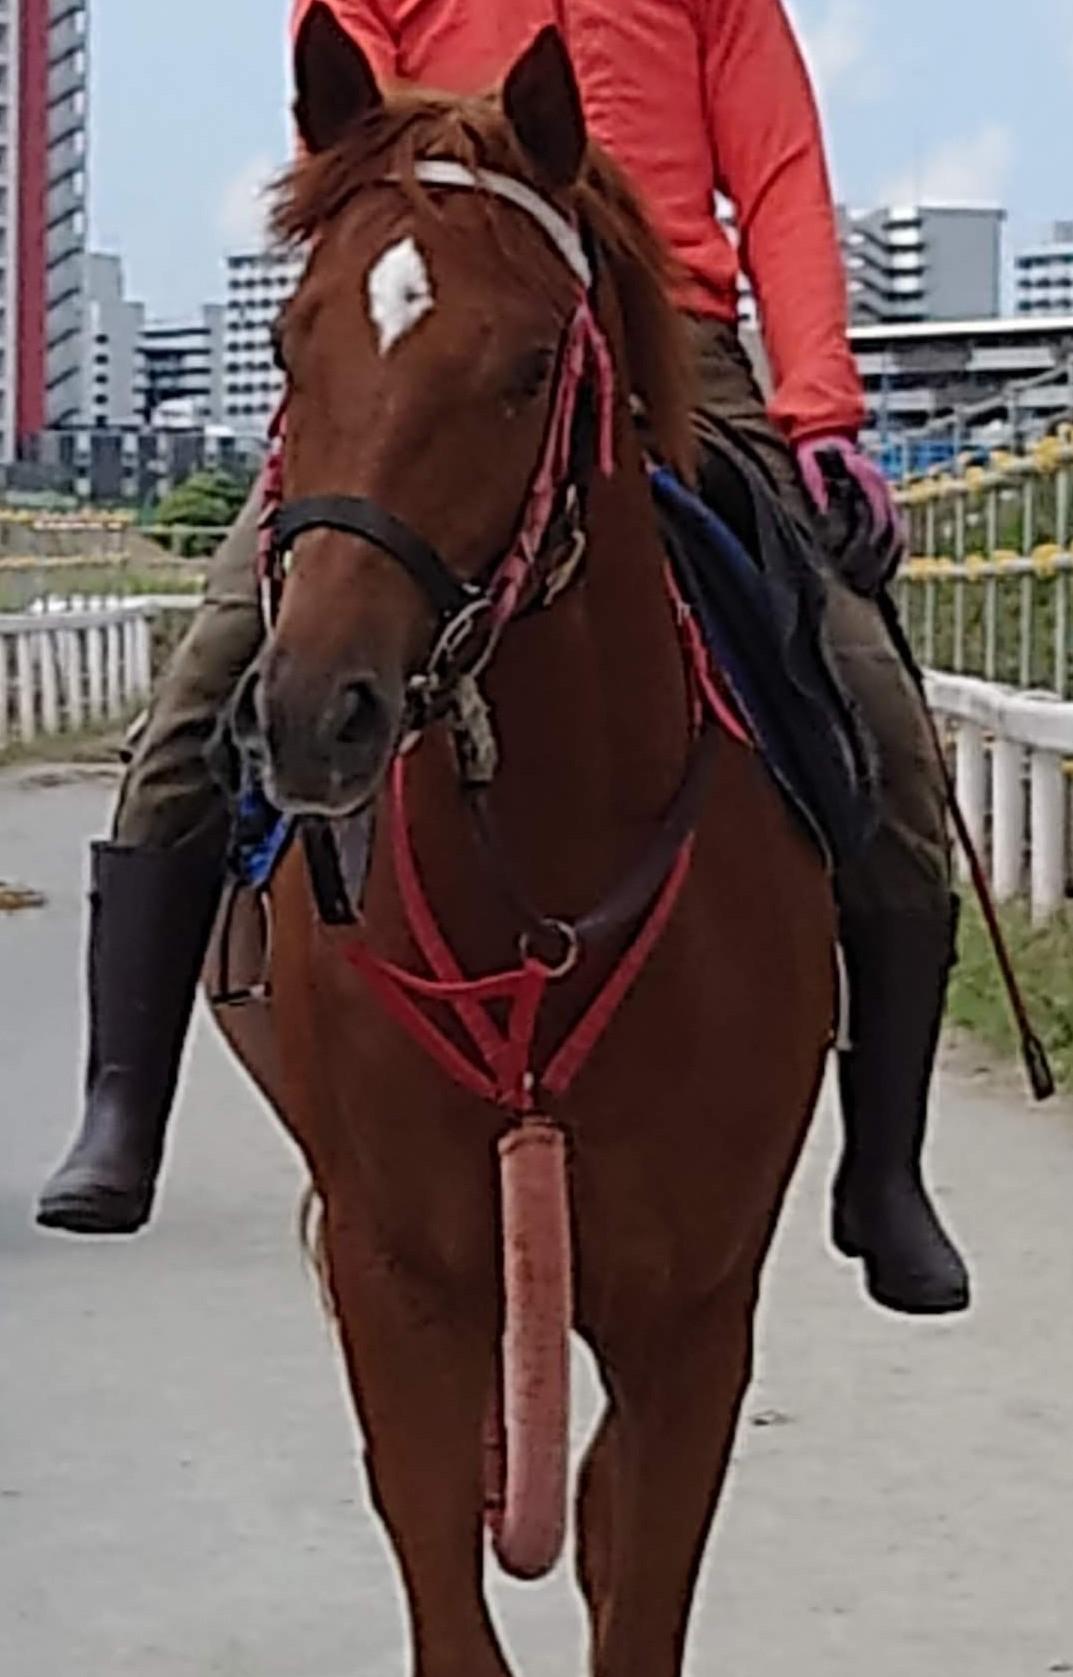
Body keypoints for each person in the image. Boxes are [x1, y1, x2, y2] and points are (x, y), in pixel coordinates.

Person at [38, 0, 969, 1319]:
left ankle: (884, 1170)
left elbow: (779, 175)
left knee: (877, 709)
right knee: (209, 681)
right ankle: (126, 1100)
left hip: (675, 355)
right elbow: (351, 145)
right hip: (444, 346)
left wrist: (818, 412)